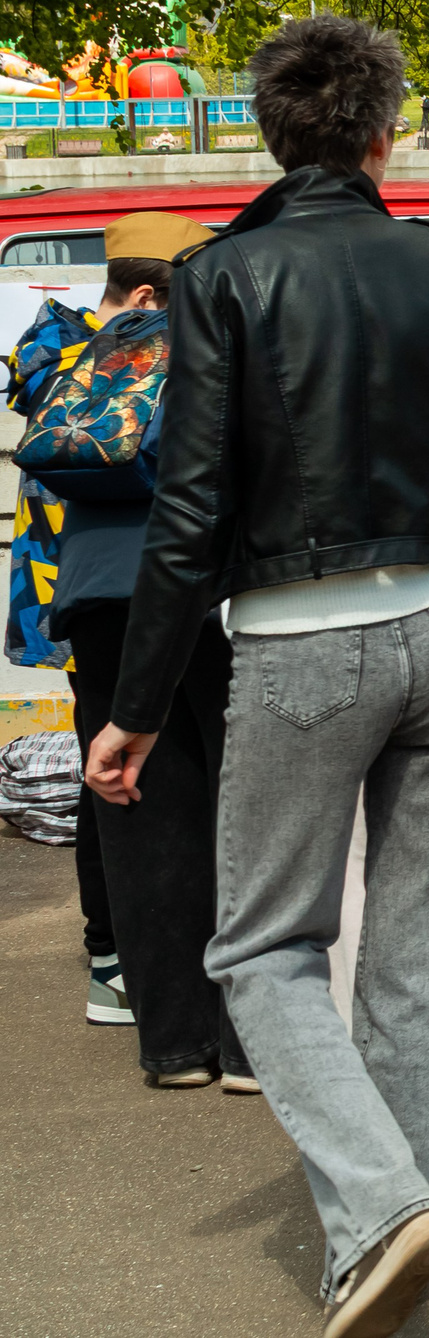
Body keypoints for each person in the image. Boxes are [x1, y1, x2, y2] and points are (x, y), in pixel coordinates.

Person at [83, 16, 429, 1338]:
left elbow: (186, 521)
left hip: (297, 639)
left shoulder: (224, 277)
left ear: (268, 130)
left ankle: (375, 1209)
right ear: (384, 131)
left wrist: (133, 708)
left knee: (262, 947)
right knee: (420, 955)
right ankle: (399, 1225)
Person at [45, 213, 250, 1087]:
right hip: (202, 592)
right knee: (241, 806)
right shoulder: (206, 350)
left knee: (134, 805)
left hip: (95, 600)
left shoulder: (74, 359)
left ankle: (172, 1044)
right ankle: (248, 1044)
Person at [5, 287, 113, 1022]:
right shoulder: (120, 362)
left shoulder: (51, 355)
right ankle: (120, 949)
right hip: (129, 590)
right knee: (139, 771)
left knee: (97, 764)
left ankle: (105, 946)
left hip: (64, 588)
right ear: (143, 294)